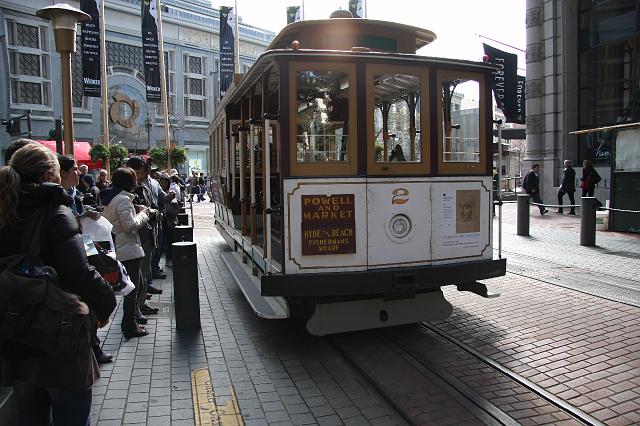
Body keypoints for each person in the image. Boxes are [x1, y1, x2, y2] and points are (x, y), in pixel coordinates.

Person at [0, 143, 116, 425]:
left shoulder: (6, 209)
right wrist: (106, 303)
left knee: (30, 415)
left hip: (15, 332)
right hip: (59, 334)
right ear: (48, 175)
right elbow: (79, 272)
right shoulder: (55, 213)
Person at [59, 155, 112, 364]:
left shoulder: (74, 194)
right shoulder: (59, 198)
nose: (79, 172)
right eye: (74, 169)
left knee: (95, 270)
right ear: (61, 173)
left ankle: (94, 345)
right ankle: (92, 347)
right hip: (73, 250)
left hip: (84, 243)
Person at [101, 167, 151, 338]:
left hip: (121, 247)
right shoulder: (123, 200)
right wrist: (144, 214)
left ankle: (131, 321)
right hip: (128, 249)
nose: (137, 181)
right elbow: (129, 225)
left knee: (136, 286)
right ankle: (129, 324)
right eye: (134, 179)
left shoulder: (112, 197)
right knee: (132, 289)